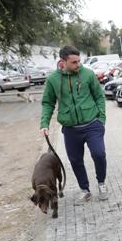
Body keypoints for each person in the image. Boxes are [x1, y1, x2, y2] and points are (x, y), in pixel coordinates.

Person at [39, 45, 108, 201]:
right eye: (74, 62)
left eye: (79, 61)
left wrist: (101, 120)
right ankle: (85, 189)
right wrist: (44, 124)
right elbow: (48, 103)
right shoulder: (53, 79)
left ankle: (101, 183)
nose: (78, 65)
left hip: (92, 124)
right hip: (70, 129)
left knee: (99, 154)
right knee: (75, 161)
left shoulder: (88, 74)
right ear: (63, 62)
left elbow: (99, 96)